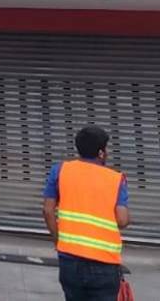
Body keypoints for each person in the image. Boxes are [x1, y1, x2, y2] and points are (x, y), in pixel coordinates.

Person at [43, 125, 130, 301]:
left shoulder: (60, 170)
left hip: (69, 259)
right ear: (101, 153)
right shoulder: (115, 179)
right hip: (104, 263)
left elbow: (47, 210)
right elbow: (122, 220)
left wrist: (58, 239)